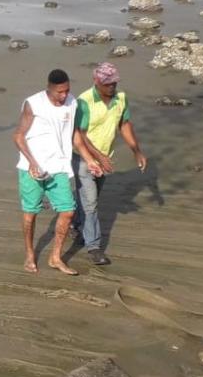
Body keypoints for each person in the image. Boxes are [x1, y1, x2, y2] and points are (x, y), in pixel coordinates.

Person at [13, 69, 103, 276]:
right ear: (50, 89)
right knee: (30, 214)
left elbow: (75, 137)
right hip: (32, 169)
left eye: (67, 91)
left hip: (59, 167)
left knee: (68, 211)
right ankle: (29, 254)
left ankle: (55, 257)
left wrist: (90, 161)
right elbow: (18, 136)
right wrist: (32, 162)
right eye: (60, 92)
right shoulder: (33, 104)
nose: (64, 96)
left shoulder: (72, 103)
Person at [72, 62, 147, 265]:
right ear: (96, 81)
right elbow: (79, 134)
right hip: (83, 157)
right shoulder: (84, 101)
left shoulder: (121, 98)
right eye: (107, 84)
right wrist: (98, 156)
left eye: (114, 83)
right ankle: (94, 247)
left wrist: (137, 151)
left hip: (105, 157)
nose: (111, 87)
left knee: (89, 197)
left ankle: (77, 224)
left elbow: (124, 124)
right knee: (91, 203)